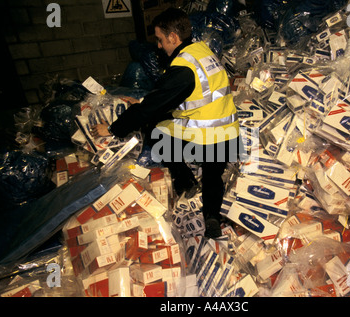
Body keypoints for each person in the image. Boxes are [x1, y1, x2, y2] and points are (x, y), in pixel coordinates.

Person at [91, 7, 240, 238]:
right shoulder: (202, 51)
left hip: (203, 140)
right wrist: (142, 100)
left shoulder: (183, 67)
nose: (159, 46)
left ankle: (184, 181)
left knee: (153, 125)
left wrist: (112, 129)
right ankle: (212, 217)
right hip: (228, 138)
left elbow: (152, 107)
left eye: (160, 39)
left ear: (173, 37)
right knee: (212, 175)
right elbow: (176, 95)